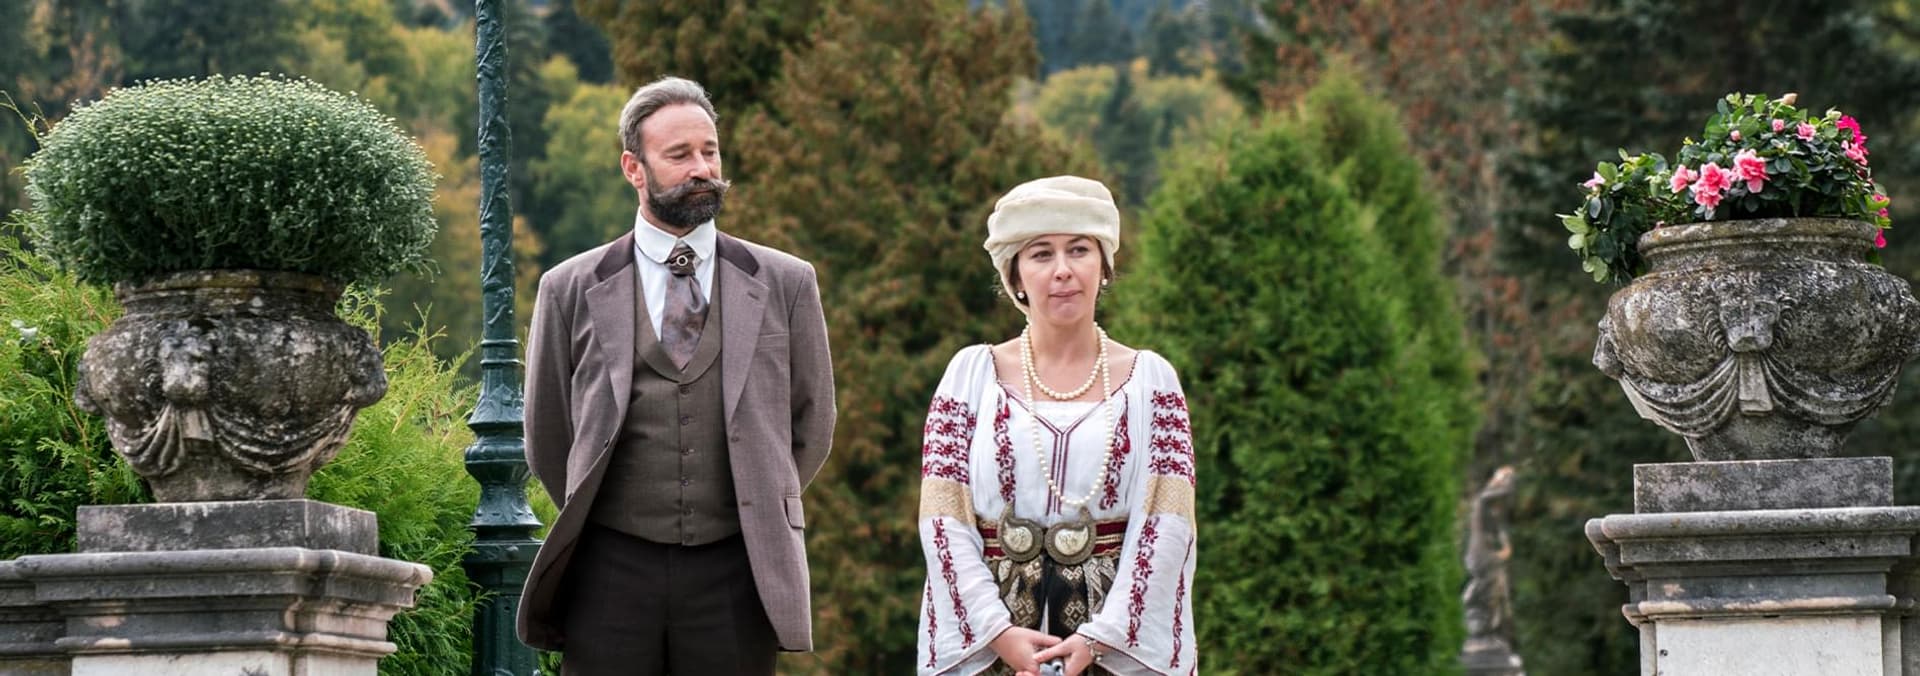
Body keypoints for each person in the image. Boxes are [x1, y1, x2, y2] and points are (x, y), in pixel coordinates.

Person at [515, 75, 836, 675]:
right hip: (607, 572)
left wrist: (761, 497)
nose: (702, 169)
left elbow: (812, 421)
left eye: (710, 151)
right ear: (633, 168)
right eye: (680, 155)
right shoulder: (568, 288)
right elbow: (548, 433)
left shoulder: (787, 282)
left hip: (738, 570)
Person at [917, 176, 1198, 675]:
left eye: (1079, 250)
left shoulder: (1151, 382)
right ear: (1015, 275)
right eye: (1041, 254)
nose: (1063, 269)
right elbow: (943, 519)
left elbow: (1167, 524)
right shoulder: (969, 377)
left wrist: (1102, 636)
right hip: (993, 642)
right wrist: (997, 632)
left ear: (1104, 267)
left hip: (1112, 647)